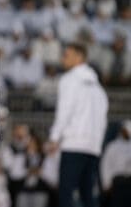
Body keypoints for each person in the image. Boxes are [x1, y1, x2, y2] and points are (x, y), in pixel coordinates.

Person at [46, 43, 108, 207]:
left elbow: (64, 111)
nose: (62, 59)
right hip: (93, 148)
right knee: (88, 196)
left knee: (66, 195)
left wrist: (54, 138)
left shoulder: (69, 79)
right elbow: (103, 121)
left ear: (79, 57)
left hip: (73, 145)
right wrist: (97, 145)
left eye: (66, 55)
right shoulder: (99, 89)